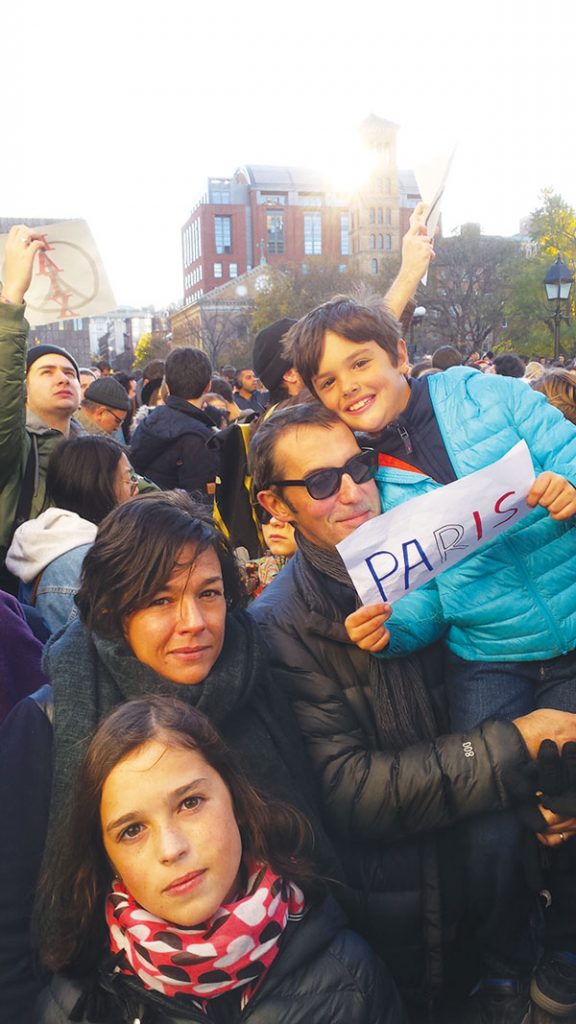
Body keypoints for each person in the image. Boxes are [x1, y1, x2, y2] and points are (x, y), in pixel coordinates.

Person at [284, 296, 576, 1019]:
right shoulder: (369, 480)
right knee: (486, 825)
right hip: (488, 656)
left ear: (399, 357)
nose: (349, 385)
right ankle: (505, 959)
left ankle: (567, 947)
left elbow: (571, 453)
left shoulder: (495, 397)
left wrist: (570, 490)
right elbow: (423, 598)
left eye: (360, 361)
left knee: (568, 800)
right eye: (327, 381)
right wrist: (394, 628)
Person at [0, 490, 334, 1023]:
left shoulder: (260, 679)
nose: (194, 622)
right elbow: (11, 925)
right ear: (112, 610)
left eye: (209, 593)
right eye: (159, 600)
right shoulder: (48, 726)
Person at [35, 695, 405, 1024]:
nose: (171, 848)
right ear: (107, 857)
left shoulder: (349, 976)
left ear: (237, 802)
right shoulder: (74, 1007)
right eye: (132, 830)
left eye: (190, 803)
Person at [0, 225, 82, 591]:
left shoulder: (101, 452)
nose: (62, 378)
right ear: (24, 388)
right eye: (47, 372)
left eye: (69, 372)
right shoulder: (14, 446)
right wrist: (13, 297)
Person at [6, 435, 138, 633]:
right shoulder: (81, 564)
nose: (136, 490)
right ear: (100, 485)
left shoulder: (54, 540)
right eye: (129, 479)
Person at [131, 347, 220, 503]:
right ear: (208, 386)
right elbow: (202, 504)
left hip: (145, 516)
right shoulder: (200, 438)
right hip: (180, 522)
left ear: (167, 385)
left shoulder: (148, 421)